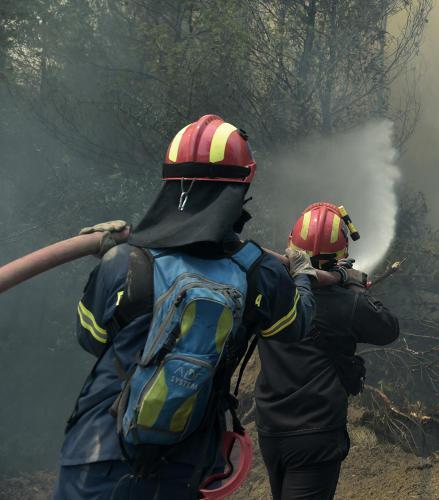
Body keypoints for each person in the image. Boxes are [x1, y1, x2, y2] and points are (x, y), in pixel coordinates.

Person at [55, 115, 320, 499]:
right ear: (243, 185)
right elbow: (298, 325)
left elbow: (91, 338)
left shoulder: (126, 260)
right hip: (183, 463)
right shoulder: (259, 272)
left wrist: (113, 263)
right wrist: (302, 274)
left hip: (95, 454)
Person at [256, 202, 400, 500]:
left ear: (291, 245)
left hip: (270, 429)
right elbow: (388, 328)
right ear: (341, 256)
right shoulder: (349, 304)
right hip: (316, 433)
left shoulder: (270, 290)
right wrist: (353, 286)